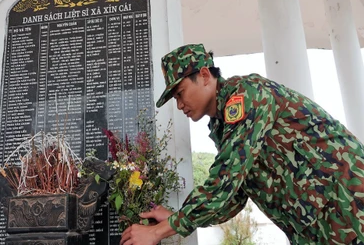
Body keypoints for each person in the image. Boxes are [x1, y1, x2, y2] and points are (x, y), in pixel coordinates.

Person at [120, 43, 364, 245]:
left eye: (180, 93)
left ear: (204, 76)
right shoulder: (222, 125)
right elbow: (233, 198)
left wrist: (158, 232)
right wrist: (176, 219)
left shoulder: (247, 94)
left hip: (348, 204)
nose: (180, 104)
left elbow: (226, 179)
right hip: (315, 225)